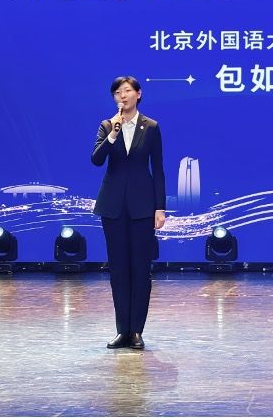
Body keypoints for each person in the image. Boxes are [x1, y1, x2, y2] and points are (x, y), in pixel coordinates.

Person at [91, 76, 166, 350]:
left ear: (138, 94)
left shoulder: (151, 127)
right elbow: (96, 159)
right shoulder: (107, 125)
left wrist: (160, 207)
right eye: (117, 93)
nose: (122, 96)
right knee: (119, 270)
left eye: (126, 91)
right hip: (112, 207)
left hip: (142, 206)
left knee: (140, 269)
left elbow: (158, 169)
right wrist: (113, 133)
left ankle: (136, 331)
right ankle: (122, 330)